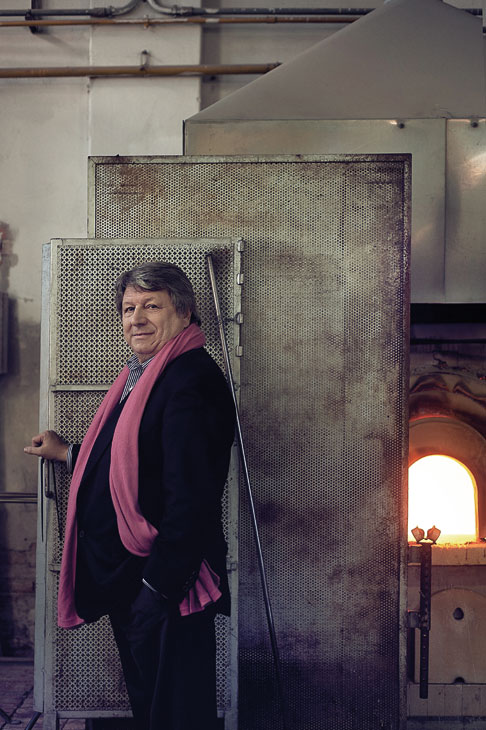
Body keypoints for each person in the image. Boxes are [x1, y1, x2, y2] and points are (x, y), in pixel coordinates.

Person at [25, 261, 236, 730]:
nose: (135, 318)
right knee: (155, 709)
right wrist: (69, 453)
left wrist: (154, 590)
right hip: (138, 579)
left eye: (151, 306)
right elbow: (137, 462)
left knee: (178, 714)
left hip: (164, 584)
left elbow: (190, 499)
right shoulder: (148, 375)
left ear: (183, 312)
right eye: (128, 308)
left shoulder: (188, 383)